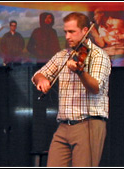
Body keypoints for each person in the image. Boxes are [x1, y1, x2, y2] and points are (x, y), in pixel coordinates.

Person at [31, 12, 111, 167]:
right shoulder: (63, 55)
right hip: (63, 126)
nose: (67, 36)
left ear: (85, 30)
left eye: (72, 32)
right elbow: (38, 74)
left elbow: (95, 87)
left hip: (88, 123)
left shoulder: (98, 56)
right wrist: (41, 80)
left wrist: (80, 72)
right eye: (65, 32)